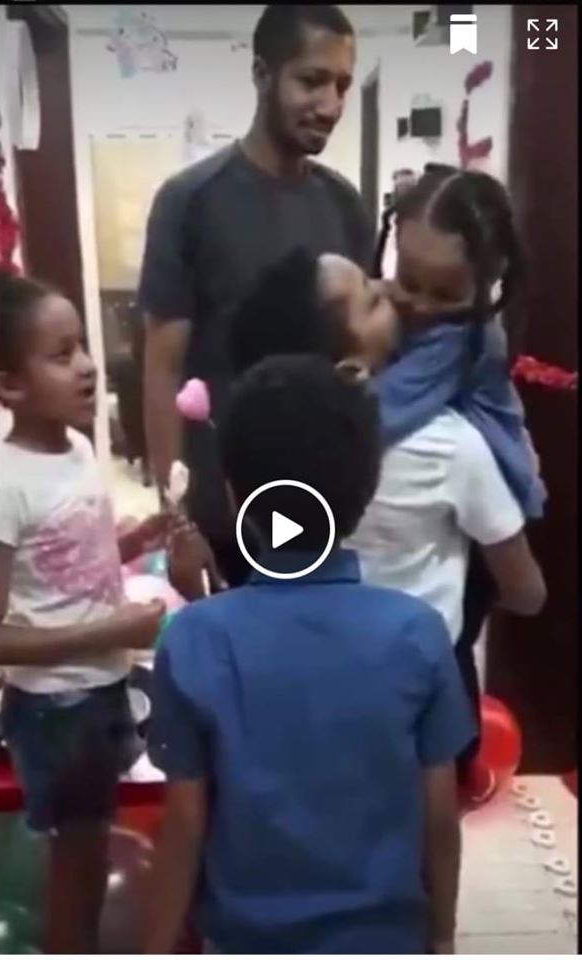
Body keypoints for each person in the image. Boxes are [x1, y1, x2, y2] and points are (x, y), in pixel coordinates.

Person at [229, 166, 546, 803]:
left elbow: (365, 420)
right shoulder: (438, 441)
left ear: (486, 286)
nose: (411, 303)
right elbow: (527, 592)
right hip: (405, 656)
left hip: (377, 656)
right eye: (400, 282)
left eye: (445, 292)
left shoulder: (464, 354)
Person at [144, 354, 475, 954]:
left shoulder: (194, 638)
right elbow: (439, 817)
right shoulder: (418, 634)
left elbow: (185, 825)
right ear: (366, 490)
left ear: (234, 493)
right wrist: (442, 939)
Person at [138, 3, 373, 587]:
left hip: (324, 509)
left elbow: (358, 353)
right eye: (312, 80)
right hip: (223, 513)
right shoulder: (191, 201)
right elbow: (162, 368)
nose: (331, 105)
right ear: (263, 73)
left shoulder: (345, 206)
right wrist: (177, 524)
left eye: (342, 86)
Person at [0, 269, 170, 953]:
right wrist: (114, 630)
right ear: (10, 385)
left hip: (101, 692)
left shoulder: (79, 449)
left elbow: (66, 566)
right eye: (61, 354)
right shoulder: (6, 483)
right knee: (74, 874)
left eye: (83, 348)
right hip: (55, 711)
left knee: (91, 859)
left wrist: (135, 541)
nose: (89, 367)